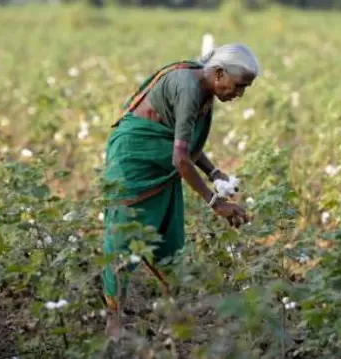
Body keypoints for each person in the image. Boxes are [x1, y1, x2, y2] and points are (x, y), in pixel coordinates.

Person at [100, 43, 260, 336]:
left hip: (161, 164)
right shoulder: (189, 89)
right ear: (219, 73)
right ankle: (113, 321)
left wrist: (214, 173)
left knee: (168, 237)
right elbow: (180, 159)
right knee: (124, 238)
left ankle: (174, 319)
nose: (239, 94)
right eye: (238, 86)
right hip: (135, 160)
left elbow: (184, 143)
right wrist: (216, 202)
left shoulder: (203, 88)